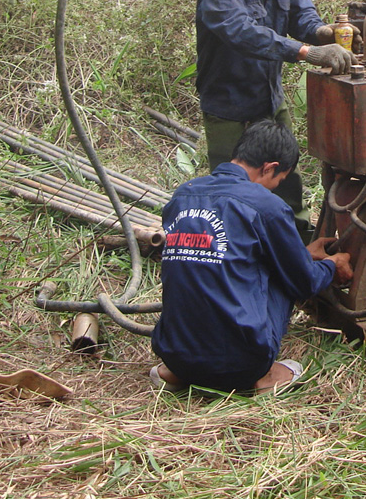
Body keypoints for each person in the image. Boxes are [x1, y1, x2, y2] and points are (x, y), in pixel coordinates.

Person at [150, 120, 353, 393]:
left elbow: (225, 256)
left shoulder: (183, 195)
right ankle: (264, 376)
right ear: (269, 167)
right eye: (278, 181)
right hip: (240, 365)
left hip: (173, 355)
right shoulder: (265, 205)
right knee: (283, 276)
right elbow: (303, 283)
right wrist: (331, 264)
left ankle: (179, 373)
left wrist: (303, 254)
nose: (274, 188)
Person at [194, 0, 352, 235]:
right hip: (229, 101)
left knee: (285, 176)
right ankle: (233, 253)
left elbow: (300, 14)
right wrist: (306, 52)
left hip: (269, 96)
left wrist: (324, 33)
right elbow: (239, 30)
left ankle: (296, 245)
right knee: (231, 186)